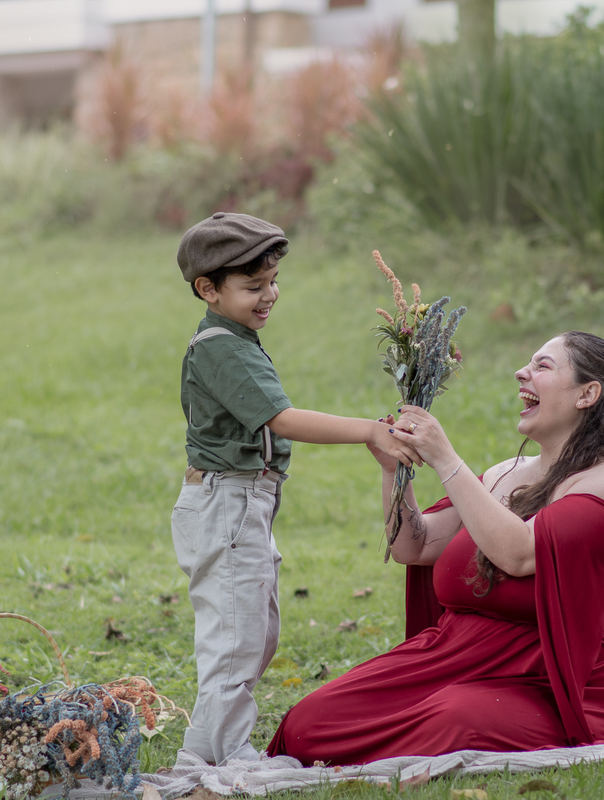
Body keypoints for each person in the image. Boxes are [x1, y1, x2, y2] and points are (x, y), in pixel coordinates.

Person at [267, 331, 604, 765]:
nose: (521, 372)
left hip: (544, 682)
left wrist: (447, 459)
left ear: (588, 393)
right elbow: (414, 545)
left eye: (543, 366)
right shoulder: (504, 473)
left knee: (450, 718)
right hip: (448, 658)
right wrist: (394, 471)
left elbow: (519, 554)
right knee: (308, 724)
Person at [171, 212, 419, 767]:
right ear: (207, 289)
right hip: (226, 503)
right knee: (235, 637)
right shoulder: (221, 346)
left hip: (242, 503)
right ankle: (219, 756)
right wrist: (368, 431)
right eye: (254, 287)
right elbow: (281, 419)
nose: (270, 295)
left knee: (257, 635)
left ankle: (215, 745)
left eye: (272, 282)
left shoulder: (235, 337)